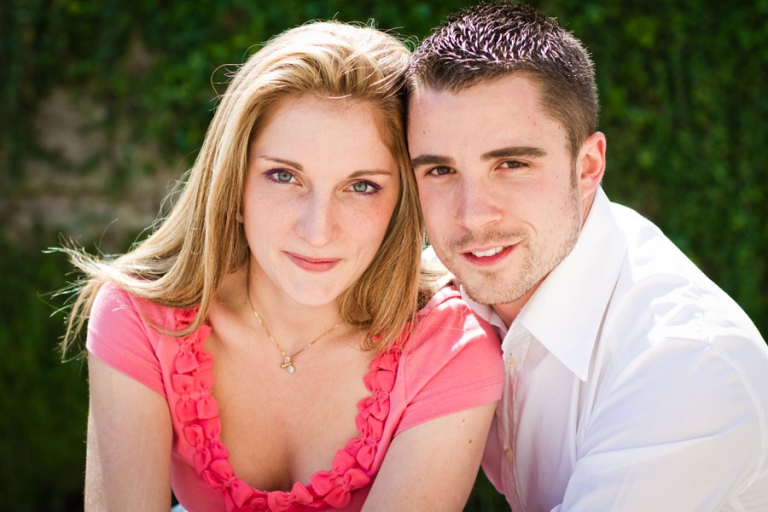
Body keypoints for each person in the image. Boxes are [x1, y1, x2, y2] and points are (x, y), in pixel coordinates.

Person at [59, 21, 505, 512]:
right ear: (234, 185)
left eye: (362, 186)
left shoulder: (449, 350)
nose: (317, 231)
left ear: (402, 202)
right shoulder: (141, 317)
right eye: (283, 176)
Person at [406, 2, 768, 511]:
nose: (472, 216)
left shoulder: (687, 364)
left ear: (587, 167)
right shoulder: (442, 286)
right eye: (440, 171)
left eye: (512, 164)